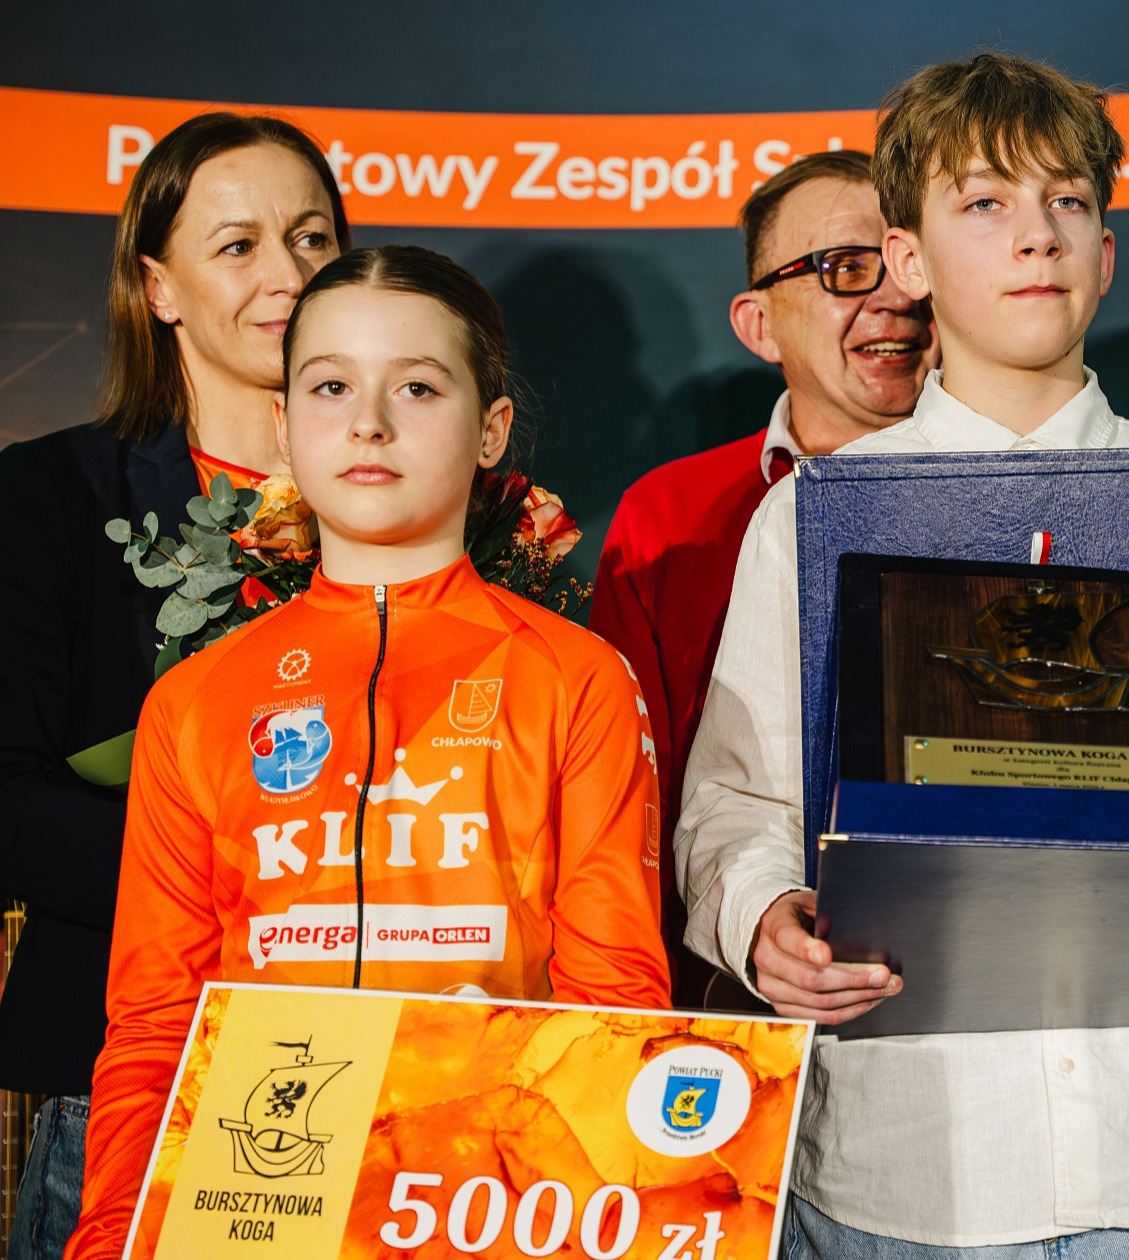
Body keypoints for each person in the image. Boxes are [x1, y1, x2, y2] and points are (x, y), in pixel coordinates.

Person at [675, 52, 1129, 1256]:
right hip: (905, 1168)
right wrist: (763, 916)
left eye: (1065, 202)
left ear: (1105, 253)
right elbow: (735, 799)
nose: (1035, 235)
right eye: (983, 202)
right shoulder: (813, 513)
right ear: (909, 259)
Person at [62, 245, 674, 1260]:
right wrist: (112, 1236)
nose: (369, 422)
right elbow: (156, 1020)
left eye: (418, 387)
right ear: (283, 424)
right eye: (331, 386)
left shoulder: (575, 679)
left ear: (491, 429)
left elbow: (614, 1004)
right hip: (251, 1204)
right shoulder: (196, 701)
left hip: (483, 1205)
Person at [0, 112, 348, 1260]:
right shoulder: (51, 497)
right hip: (137, 1067)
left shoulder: (427, 502)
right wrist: (242, 883)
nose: (288, 274)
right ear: (159, 288)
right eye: (238, 246)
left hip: (390, 1059)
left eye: (311, 238)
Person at [590, 148, 935, 1011]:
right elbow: (630, 800)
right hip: (738, 994)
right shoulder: (670, 516)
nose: (893, 299)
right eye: (846, 268)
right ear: (759, 325)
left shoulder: (1033, 490)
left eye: (908, 263)